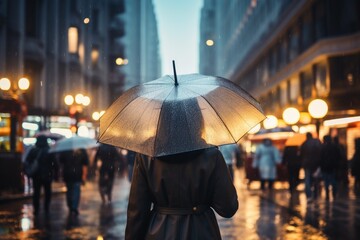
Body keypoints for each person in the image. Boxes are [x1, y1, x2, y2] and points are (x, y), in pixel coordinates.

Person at [125, 148, 238, 239]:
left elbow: (137, 211)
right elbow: (228, 208)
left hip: (158, 232)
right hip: (202, 231)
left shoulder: (146, 155)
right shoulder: (212, 155)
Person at [24, 136, 54, 215]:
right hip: (47, 175)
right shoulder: (49, 151)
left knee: (36, 192)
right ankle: (46, 208)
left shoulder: (33, 150)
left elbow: (27, 161)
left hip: (36, 175)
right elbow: (54, 164)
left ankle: (36, 209)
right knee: (47, 192)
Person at [58, 148, 89, 215]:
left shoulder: (65, 150)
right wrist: (84, 176)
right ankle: (74, 207)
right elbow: (85, 164)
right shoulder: (82, 150)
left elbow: (60, 162)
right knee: (76, 191)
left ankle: (70, 205)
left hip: (67, 174)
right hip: (77, 174)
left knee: (69, 190)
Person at [300, 132, 322, 203]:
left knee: (307, 180)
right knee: (316, 179)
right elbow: (320, 152)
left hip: (307, 164)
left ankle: (309, 196)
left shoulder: (304, 144)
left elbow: (301, 155)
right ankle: (315, 195)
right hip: (316, 164)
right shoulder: (317, 142)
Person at [320, 135, 341, 200]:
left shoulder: (323, 147)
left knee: (326, 181)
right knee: (333, 180)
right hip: (333, 166)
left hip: (325, 167)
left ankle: (327, 195)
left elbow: (320, 158)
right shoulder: (335, 146)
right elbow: (339, 156)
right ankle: (334, 194)